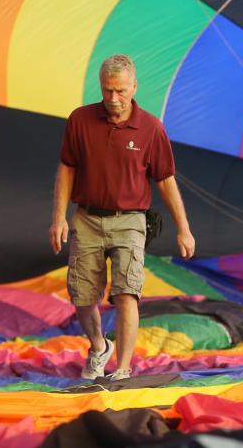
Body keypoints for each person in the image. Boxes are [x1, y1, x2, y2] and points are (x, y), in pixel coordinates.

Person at [48, 54, 196, 381]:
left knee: (127, 291)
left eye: (120, 91)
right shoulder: (80, 120)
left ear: (134, 87)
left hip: (130, 219)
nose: (113, 99)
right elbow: (67, 168)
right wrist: (59, 217)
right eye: (107, 91)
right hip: (86, 218)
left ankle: (124, 369)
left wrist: (184, 229)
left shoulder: (151, 129)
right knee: (83, 297)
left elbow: (165, 179)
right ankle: (99, 346)